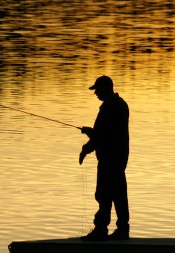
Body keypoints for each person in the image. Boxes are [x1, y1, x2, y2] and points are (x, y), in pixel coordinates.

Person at [79, 75, 130, 241]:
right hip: (119, 158)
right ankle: (122, 229)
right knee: (119, 194)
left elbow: (102, 136)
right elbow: (106, 134)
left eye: (97, 89)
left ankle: (101, 230)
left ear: (106, 88)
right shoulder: (120, 105)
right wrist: (91, 133)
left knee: (104, 194)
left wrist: (86, 148)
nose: (95, 93)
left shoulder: (109, 108)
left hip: (109, 159)